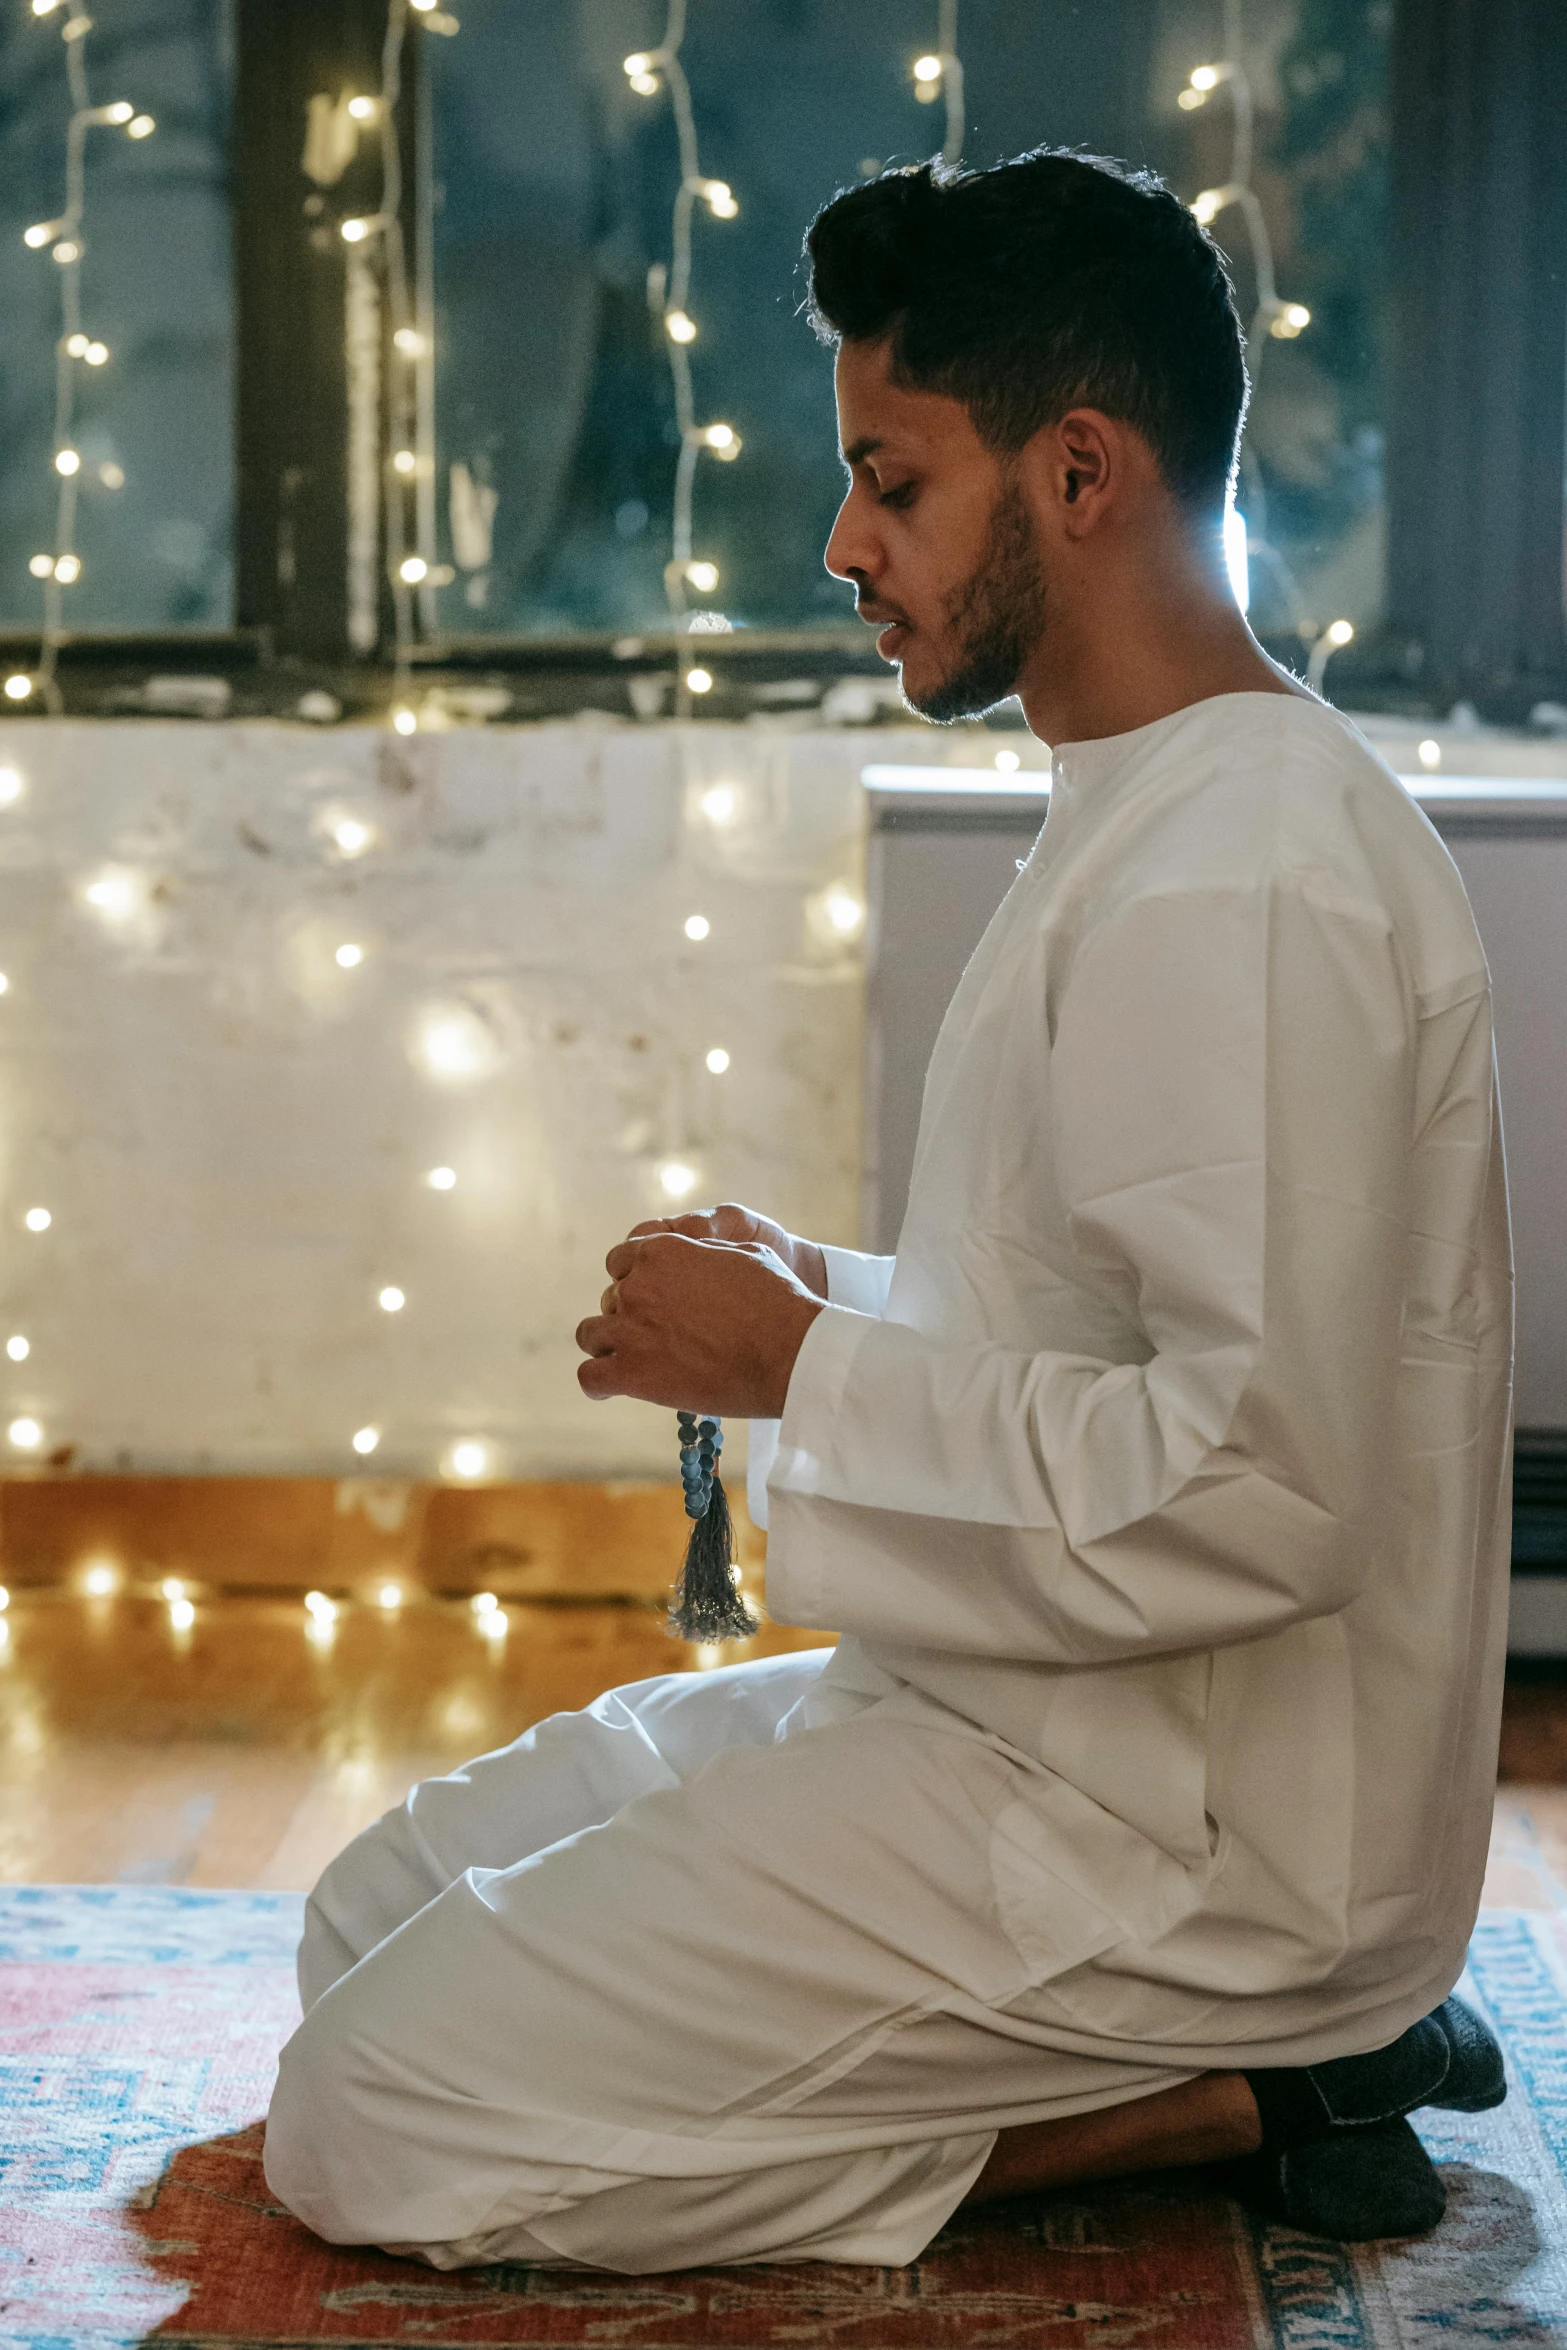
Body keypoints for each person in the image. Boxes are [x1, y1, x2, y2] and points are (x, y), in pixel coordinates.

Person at [264, 150, 1512, 2271]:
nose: (844, 541)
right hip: (1017, 1707)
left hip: (1189, 1831)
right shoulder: (1148, 801)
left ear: (1084, 469)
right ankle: (1150, 2071)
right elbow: (1101, 1331)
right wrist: (818, 1289)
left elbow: (1262, 1479)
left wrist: (805, 1363)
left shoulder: (1244, 872)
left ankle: (1224, 2082)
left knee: (371, 2118)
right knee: (361, 1919)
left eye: (895, 480)